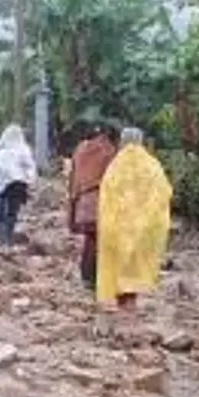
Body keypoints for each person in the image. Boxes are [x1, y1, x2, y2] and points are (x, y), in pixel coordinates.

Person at [96, 127, 172, 313]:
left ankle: (122, 300)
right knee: (135, 262)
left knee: (119, 261)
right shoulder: (151, 164)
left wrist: (107, 221)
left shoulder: (116, 165)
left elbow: (106, 193)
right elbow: (164, 191)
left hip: (118, 225)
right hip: (142, 226)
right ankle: (131, 300)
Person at [67, 123, 118, 289]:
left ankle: (87, 275)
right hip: (100, 199)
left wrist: (72, 204)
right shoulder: (107, 150)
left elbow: (73, 177)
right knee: (99, 241)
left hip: (82, 199)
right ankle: (94, 277)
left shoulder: (80, 149)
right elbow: (112, 177)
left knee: (91, 239)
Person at [0, 124, 37, 246]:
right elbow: (31, 168)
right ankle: (8, 237)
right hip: (17, 184)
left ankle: (2, 240)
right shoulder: (23, 149)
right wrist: (30, 182)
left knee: (0, 213)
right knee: (12, 212)